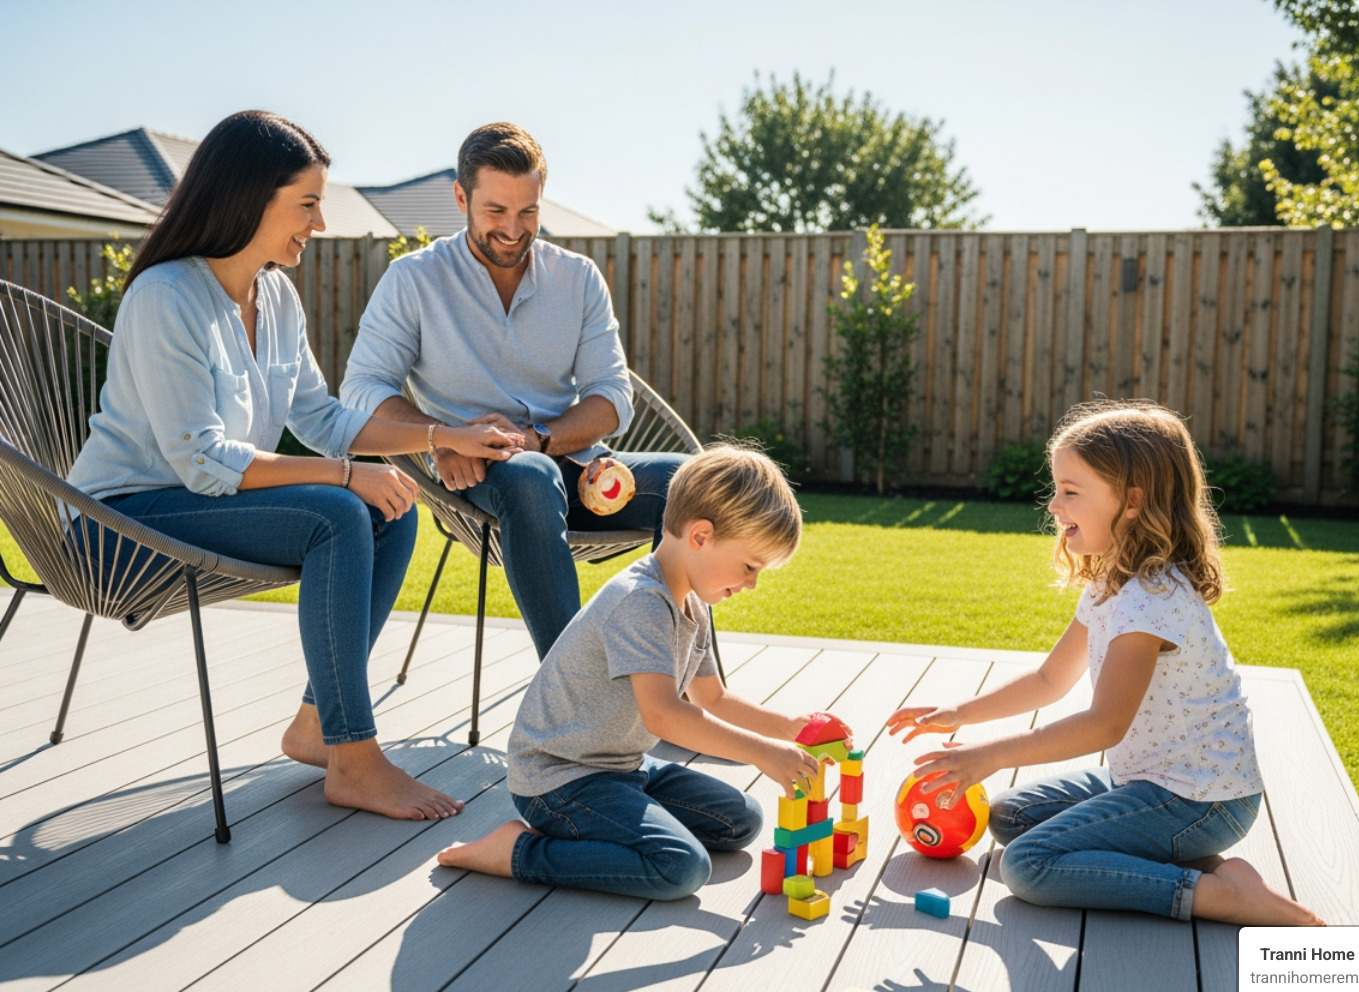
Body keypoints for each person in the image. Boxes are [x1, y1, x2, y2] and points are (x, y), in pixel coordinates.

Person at [66, 110, 519, 821]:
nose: (321, 222)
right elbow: (203, 459)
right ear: (250, 198)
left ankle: (317, 725)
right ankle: (355, 758)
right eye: (308, 203)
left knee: (389, 507)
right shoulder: (165, 297)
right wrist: (342, 475)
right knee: (340, 508)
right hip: (114, 523)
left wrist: (442, 436)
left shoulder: (275, 295)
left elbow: (324, 419)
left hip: (196, 502)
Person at [885, 400, 1324, 927]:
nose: (1054, 506)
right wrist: (961, 713)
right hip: (1147, 780)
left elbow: (1105, 724)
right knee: (1008, 816)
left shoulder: (1152, 598)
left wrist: (992, 754)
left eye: (1071, 492)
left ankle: (1221, 896)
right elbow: (1050, 679)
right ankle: (1209, 867)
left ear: (1133, 501)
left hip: (1202, 801)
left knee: (1028, 865)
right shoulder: (1109, 582)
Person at [340, 122, 686, 659]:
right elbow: (362, 388)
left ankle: (675, 677)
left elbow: (613, 395)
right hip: (476, 477)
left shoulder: (578, 278)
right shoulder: (414, 280)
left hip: (576, 468)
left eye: (528, 212)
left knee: (696, 483)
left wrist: (537, 438)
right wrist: (443, 438)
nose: (513, 228)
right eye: (495, 212)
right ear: (461, 198)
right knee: (529, 477)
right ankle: (573, 689)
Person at [437, 445, 828, 901]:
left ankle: (623, 813)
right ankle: (517, 851)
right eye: (749, 566)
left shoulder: (693, 602)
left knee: (741, 820)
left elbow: (712, 699)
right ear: (700, 536)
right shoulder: (641, 601)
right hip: (560, 777)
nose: (752, 584)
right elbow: (665, 716)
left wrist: (790, 730)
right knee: (680, 867)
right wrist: (763, 753)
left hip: (622, 765)